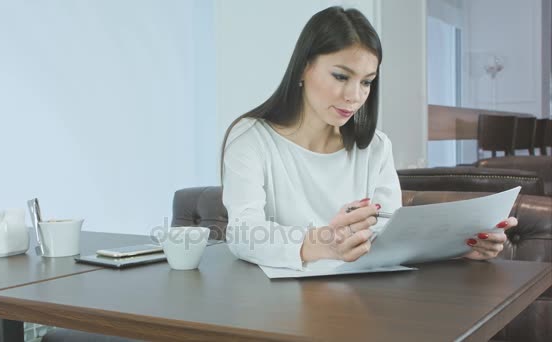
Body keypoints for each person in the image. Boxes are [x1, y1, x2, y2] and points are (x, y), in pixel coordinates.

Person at [220, 6, 516, 270]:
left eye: (366, 82)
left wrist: (458, 247)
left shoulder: (375, 148)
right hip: (277, 307)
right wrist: (321, 243)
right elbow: (243, 233)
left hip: (363, 303)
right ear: (303, 68)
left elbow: (390, 236)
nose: (354, 96)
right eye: (340, 76)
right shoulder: (251, 138)